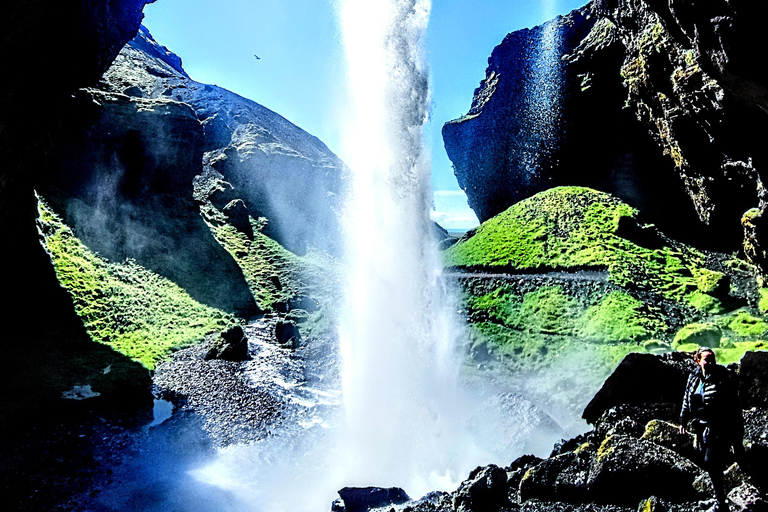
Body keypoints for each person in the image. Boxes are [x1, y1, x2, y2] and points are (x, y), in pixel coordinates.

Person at [679, 347, 744, 512]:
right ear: (698, 360)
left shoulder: (723, 378)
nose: (710, 362)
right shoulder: (693, 378)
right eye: (706, 359)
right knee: (707, 462)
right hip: (700, 426)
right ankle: (718, 497)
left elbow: (733, 405)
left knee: (712, 462)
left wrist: (735, 434)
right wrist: (683, 421)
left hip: (719, 427)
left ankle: (721, 504)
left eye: (712, 359)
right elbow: (687, 400)